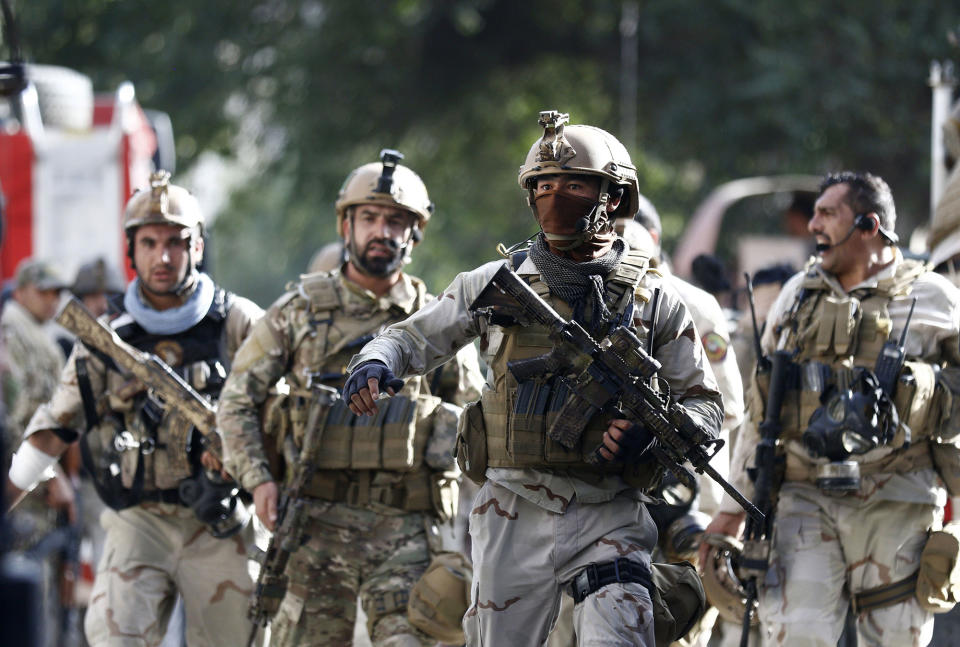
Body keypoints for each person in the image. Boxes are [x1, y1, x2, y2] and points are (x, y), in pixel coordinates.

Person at [345, 111, 723, 647]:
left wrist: (654, 436)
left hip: (609, 513)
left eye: (573, 185)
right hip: (512, 509)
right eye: (543, 185)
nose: (555, 196)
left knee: (620, 634)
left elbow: (706, 406)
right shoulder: (495, 284)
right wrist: (376, 362)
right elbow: (413, 337)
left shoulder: (655, 300)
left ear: (611, 198)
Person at [217, 149, 484, 647]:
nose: (381, 230)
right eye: (369, 218)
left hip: (406, 531)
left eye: (396, 221)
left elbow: (477, 421)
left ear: (414, 232)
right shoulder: (297, 313)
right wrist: (257, 481)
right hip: (315, 527)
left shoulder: (436, 320)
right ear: (347, 226)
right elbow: (236, 401)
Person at [4, 170, 265, 647]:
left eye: (176, 242)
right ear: (132, 249)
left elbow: (287, 410)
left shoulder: (239, 323)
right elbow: (53, 427)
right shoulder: (106, 338)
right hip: (138, 517)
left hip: (222, 520)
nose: (163, 256)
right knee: (114, 636)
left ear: (198, 248)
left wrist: (242, 446)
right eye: (149, 242)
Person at [702, 171, 960, 646]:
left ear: (868, 225)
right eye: (815, 212)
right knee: (795, 634)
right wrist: (731, 510)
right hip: (805, 497)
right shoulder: (796, 295)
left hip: (898, 499)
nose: (813, 224)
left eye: (828, 213)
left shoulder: (936, 300)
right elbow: (763, 411)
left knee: (896, 639)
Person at [1, 257, 76, 647]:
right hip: (24, 490)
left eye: (58, 292)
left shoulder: (35, 333)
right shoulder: (12, 333)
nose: (53, 300)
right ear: (22, 291)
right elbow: (17, 420)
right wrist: (51, 475)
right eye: (45, 291)